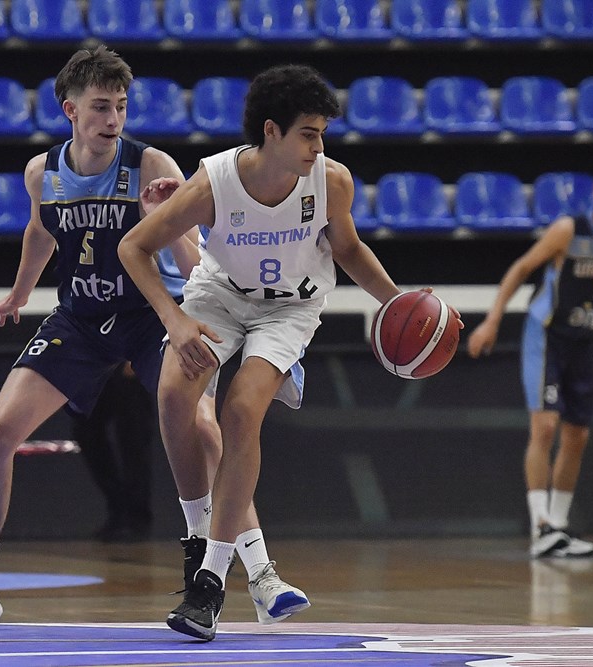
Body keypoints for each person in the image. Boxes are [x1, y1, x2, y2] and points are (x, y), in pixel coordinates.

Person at [0, 46, 304, 633]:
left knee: (204, 426)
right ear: (69, 109)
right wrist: (19, 295)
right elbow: (40, 232)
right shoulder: (42, 172)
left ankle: (260, 572)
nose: (113, 118)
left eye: (121, 106)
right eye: (100, 106)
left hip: (154, 314)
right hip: (80, 319)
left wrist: (162, 222)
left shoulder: (151, 165)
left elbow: (198, 264)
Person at [119, 64, 441, 641]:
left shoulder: (331, 182)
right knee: (171, 394)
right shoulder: (214, 183)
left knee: (242, 411)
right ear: (271, 131)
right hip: (219, 298)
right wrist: (175, 319)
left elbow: (348, 249)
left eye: (322, 135)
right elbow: (133, 247)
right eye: (309, 134)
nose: (319, 147)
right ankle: (196, 536)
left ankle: (210, 581)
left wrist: (401, 304)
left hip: (288, 308)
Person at [467, 157, 593, 559]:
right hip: (547, 334)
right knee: (545, 426)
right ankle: (540, 526)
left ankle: (558, 528)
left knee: (577, 435)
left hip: (585, 340)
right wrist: (492, 320)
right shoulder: (568, 230)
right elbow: (521, 268)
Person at [68, 361, 155, 542]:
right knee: (86, 431)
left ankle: (136, 518)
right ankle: (118, 507)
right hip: (98, 364)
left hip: (129, 363)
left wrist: (134, 359)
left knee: (133, 439)